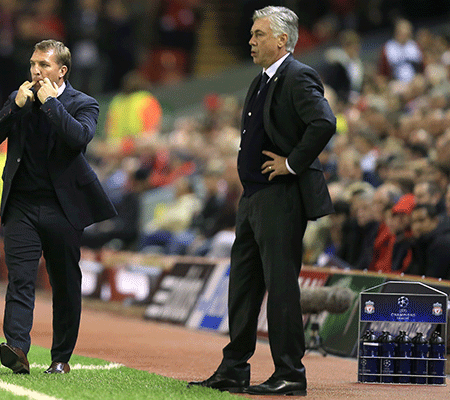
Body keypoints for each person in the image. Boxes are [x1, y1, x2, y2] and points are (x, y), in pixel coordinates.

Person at [188, 6, 336, 396]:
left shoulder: (299, 75)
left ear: (281, 40)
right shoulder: (261, 80)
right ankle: (234, 368)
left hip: (281, 197)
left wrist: (292, 163)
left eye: (258, 35)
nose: (250, 41)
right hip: (254, 196)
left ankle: (291, 373)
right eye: (252, 35)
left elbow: (324, 122)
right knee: (244, 285)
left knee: (281, 286)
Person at [0, 39, 116, 375]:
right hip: (21, 205)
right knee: (21, 279)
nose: (36, 71)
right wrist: (15, 106)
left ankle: (61, 357)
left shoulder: (84, 103)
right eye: (32, 65)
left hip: (63, 207)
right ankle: (17, 349)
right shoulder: (19, 99)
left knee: (65, 283)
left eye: (43, 65)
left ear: (62, 70)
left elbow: (78, 139)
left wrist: (52, 104)